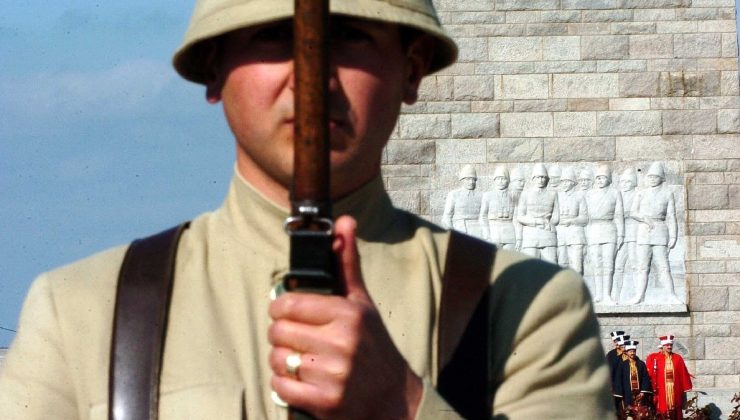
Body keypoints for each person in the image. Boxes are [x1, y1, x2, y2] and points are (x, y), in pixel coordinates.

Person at [0, 1, 613, 418]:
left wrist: (401, 406)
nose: (312, 79)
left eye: (350, 37)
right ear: (213, 70)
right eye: (273, 36)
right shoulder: (80, 312)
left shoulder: (528, 307)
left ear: (412, 71)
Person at [625, 162, 680, 305]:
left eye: (655, 177)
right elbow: (633, 212)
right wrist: (644, 218)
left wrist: (673, 236)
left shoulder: (667, 193)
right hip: (644, 231)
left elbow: (671, 216)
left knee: (663, 266)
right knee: (642, 266)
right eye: (650, 177)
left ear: (661, 178)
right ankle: (639, 296)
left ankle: (671, 295)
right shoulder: (641, 193)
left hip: (660, 230)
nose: (652, 179)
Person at [584, 165, 624, 305]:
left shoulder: (615, 193)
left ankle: (607, 294)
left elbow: (619, 215)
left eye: (603, 178)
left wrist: (621, 235)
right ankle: (599, 294)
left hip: (609, 229)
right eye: (598, 178)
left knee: (608, 263)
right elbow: (585, 216)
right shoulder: (589, 194)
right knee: (596, 263)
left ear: (609, 179)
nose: (600, 180)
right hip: (594, 229)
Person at [516, 163, 560, 263]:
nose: (540, 180)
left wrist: (548, 223)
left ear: (547, 179)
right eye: (538, 177)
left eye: (543, 177)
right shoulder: (526, 194)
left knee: (551, 266)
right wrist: (536, 222)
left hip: (548, 233)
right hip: (531, 234)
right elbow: (520, 216)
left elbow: (556, 216)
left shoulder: (553, 194)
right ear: (533, 178)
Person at [648, 335, 693, 419]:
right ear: (662, 346)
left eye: (671, 345)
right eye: (667, 345)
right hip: (662, 390)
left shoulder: (678, 358)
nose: (669, 347)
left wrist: (686, 386)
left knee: (676, 409)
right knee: (662, 410)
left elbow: (683, 373)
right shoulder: (656, 358)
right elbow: (651, 374)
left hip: (675, 389)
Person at [556, 167, 588, 274]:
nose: (564, 184)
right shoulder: (557, 196)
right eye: (562, 181)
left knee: (577, 266)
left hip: (575, 234)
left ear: (573, 182)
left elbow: (584, 218)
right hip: (560, 233)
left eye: (567, 181)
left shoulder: (579, 196)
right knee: (561, 265)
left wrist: (571, 221)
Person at [479, 165, 516, 249]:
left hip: (510, 234)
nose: (500, 181)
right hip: (494, 233)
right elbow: (483, 216)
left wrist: (518, 237)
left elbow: (516, 217)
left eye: (503, 179)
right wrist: (487, 235)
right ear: (494, 180)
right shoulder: (488, 195)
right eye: (498, 179)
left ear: (508, 181)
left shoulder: (513, 196)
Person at [613, 340, 653, 417]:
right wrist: (620, 393)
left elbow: (645, 378)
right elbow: (618, 380)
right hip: (627, 394)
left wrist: (643, 392)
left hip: (639, 394)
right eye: (630, 351)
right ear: (627, 352)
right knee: (629, 413)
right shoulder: (622, 365)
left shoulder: (641, 364)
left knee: (640, 414)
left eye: (634, 351)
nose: (632, 353)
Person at [442, 164, 484, 238]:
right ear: (462, 180)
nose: (471, 182)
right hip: (460, 230)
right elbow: (446, 217)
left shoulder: (481, 196)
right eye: (468, 179)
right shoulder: (454, 194)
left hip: (478, 232)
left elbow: (485, 216)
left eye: (473, 179)